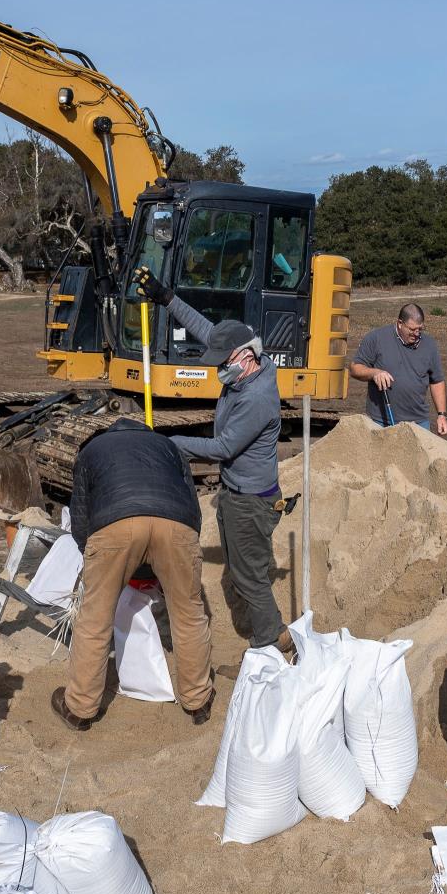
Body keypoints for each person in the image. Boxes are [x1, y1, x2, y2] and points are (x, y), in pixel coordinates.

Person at [132, 265, 294, 658]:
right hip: (235, 493)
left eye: (224, 361)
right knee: (244, 574)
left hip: (250, 502)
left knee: (249, 578)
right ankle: (275, 638)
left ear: (246, 357)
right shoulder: (244, 359)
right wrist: (165, 297)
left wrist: (167, 442)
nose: (218, 368)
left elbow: (222, 449)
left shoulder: (257, 399)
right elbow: (206, 328)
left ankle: (271, 647)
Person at [53, 418, 213, 731]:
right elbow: (193, 509)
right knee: (189, 615)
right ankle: (197, 701)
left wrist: (102, 561)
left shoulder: (91, 451)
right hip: (176, 525)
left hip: (115, 525)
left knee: (95, 619)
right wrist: (168, 558)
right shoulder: (169, 447)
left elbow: (81, 516)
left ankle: (80, 709)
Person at [350, 304, 447, 435]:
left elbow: (436, 381)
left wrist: (442, 415)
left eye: (420, 329)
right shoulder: (376, 338)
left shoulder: (429, 345)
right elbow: (355, 368)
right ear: (400, 323)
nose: (417, 334)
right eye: (412, 329)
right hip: (380, 422)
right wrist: (374, 373)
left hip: (418, 423)